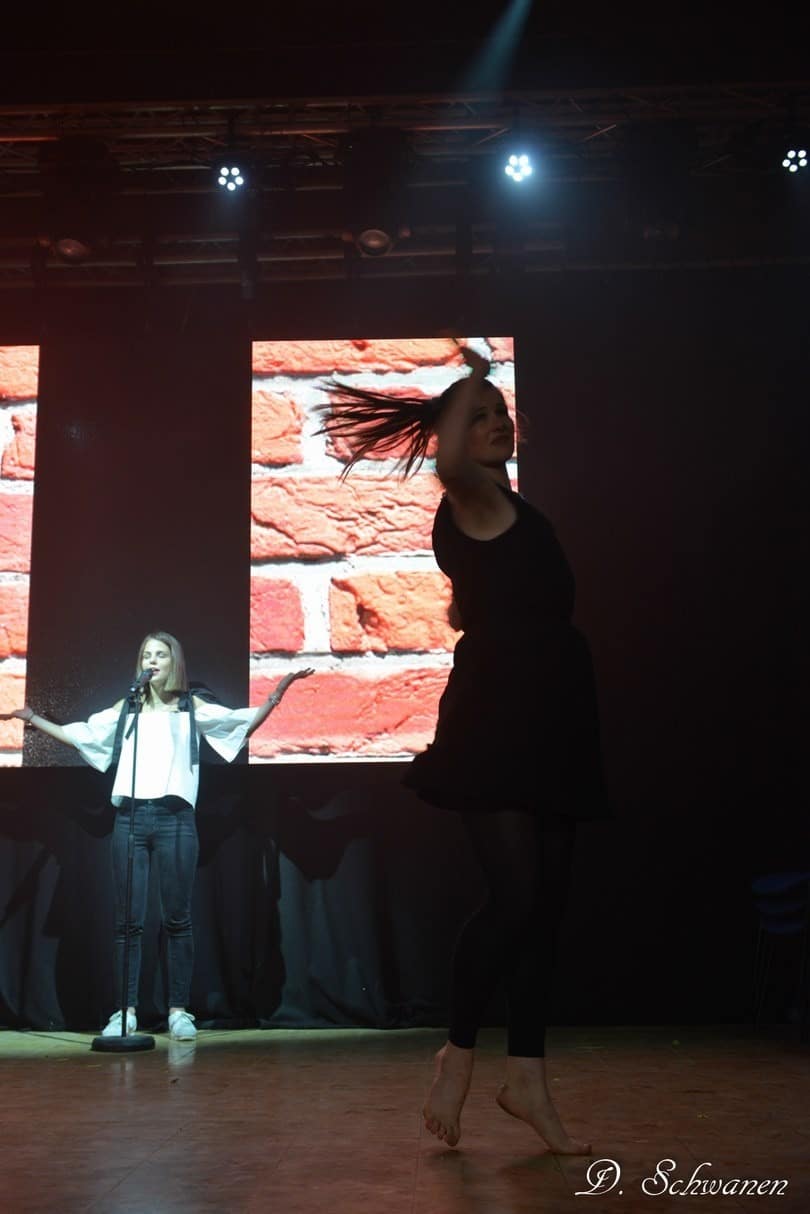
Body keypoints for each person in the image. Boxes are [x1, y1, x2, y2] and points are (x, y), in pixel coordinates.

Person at [320, 344, 609, 1152]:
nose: (497, 423)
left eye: (501, 412)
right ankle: (457, 1053)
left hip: (555, 713)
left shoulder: (505, 506)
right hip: (498, 718)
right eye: (479, 417)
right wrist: (477, 376)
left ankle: (528, 1082)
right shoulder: (472, 494)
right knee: (517, 898)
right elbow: (450, 465)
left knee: (546, 909)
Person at [2, 631, 313, 1041]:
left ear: (174, 662)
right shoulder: (128, 708)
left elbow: (240, 723)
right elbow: (83, 735)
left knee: (177, 918)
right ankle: (125, 1011)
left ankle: (178, 1011)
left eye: (160, 655)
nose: (152, 661)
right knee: (128, 922)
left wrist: (279, 691)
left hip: (176, 819)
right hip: (130, 819)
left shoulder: (189, 706)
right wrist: (33, 719)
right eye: (147, 655)